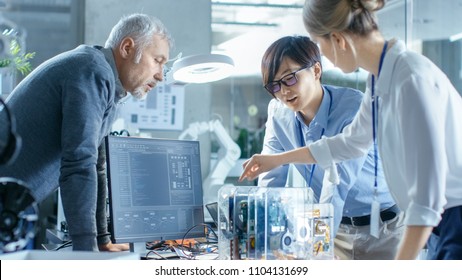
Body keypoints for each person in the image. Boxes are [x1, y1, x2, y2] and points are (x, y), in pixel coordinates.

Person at [240, 0, 462, 260]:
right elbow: (349, 144)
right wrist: (276, 160)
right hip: (436, 224)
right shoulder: (380, 79)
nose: (321, 55)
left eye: (319, 44)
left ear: (337, 39)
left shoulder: (410, 79)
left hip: (450, 222)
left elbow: (427, 201)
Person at [0, 13, 173, 251]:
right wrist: (86, 253)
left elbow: (95, 166)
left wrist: (101, 240)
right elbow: (78, 164)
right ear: (127, 48)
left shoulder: (107, 84)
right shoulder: (92, 70)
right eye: (157, 60)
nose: (161, 75)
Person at [255, 35, 403, 260]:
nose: (283, 92)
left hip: (383, 231)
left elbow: (336, 185)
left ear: (316, 71)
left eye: (290, 78)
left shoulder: (352, 109)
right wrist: (265, 238)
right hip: (336, 228)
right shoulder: (278, 113)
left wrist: (318, 247)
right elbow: (270, 179)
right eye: (274, 85)